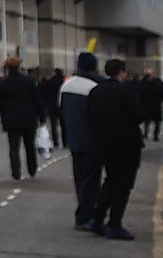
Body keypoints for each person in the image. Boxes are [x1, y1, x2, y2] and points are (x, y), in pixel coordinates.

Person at [87, 58, 143, 240]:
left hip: (104, 142)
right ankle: (114, 223)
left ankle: (96, 218)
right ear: (121, 72)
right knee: (123, 183)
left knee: (110, 180)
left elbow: (90, 115)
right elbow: (137, 115)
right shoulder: (127, 90)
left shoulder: (96, 91)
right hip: (127, 143)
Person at [59, 52, 104, 232]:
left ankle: (84, 213)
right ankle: (85, 216)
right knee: (91, 181)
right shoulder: (94, 86)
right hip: (92, 140)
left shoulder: (66, 85)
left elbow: (61, 111)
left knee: (80, 179)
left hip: (74, 139)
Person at [0, 55, 41, 181]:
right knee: (29, 145)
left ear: (7, 67)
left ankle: (16, 172)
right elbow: (37, 99)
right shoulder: (29, 81)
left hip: (10, 117)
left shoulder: (2, 83)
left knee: (14, 147)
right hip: (28, 117)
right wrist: (42, 116)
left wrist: (3, 112)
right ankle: (32, 168)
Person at [38, 67, 66, 147]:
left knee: (54, 124)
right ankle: (65, 141)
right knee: (63, 125)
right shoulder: (64, 82)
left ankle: (55, 142)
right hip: (62, 105)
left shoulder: (49, 82)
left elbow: (42, 92)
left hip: (51, 105)